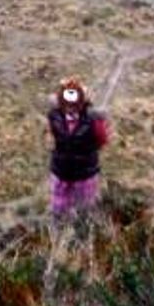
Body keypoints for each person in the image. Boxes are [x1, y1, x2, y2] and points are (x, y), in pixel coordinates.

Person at [47, 76, 109, 219]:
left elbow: (101, 139)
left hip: (84, 175)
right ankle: (59, 237)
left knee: (84, 215)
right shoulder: (54, 116)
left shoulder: (94, 120)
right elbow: (51, 135)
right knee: (58, 213)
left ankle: (81, 237)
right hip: (61, 173)